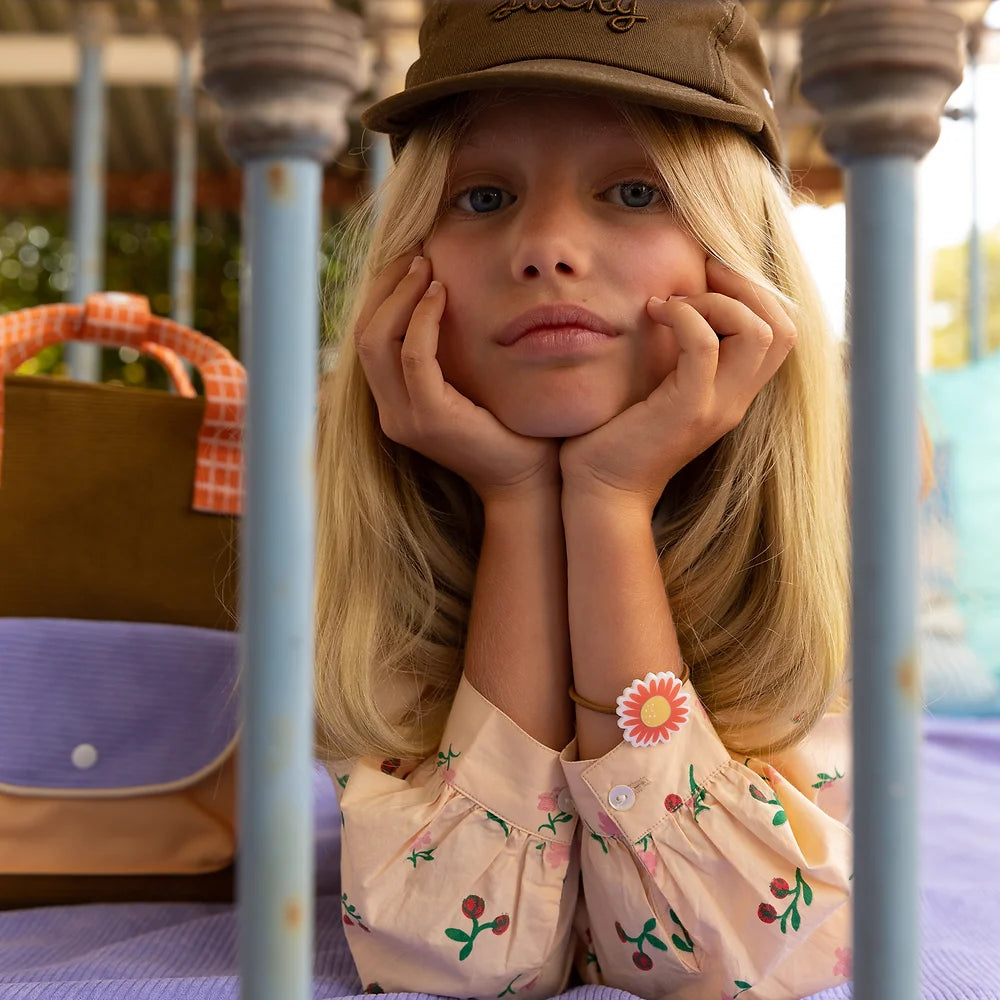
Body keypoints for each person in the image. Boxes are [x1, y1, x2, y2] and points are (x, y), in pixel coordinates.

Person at [314, 3, 852, 998]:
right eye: (480, 197)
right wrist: (521, 503)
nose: (547, 245)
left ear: (745, 265)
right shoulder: (348, 520)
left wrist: (608, 504)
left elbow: (716, 954)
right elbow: (464, 959)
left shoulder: (836, 512)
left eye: (635, 189)